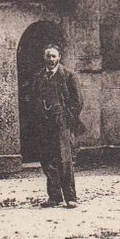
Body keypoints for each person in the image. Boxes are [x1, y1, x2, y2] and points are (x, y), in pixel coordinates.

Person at [31, 45, 84, 208]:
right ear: (44, 57)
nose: (51, 59)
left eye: (54, 56)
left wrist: (66, 118)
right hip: (44, 124)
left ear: (59, 57)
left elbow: (78, 102)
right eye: (48, 56)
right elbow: (33, 97)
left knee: (64, 159)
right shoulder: (39, 76)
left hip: (61, 123)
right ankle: (54, 197)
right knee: (47, 160)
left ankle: (70, 197)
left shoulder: (68, 75)